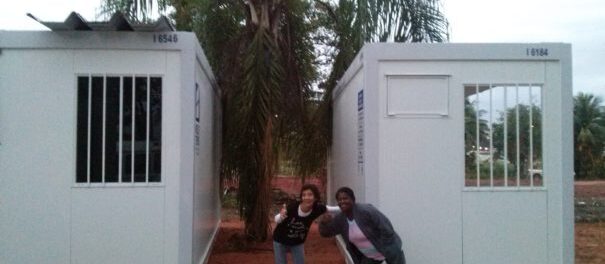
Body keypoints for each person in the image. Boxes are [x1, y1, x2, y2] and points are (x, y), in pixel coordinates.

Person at [319, 187, 406, 264]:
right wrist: (323, 222)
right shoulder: (341, 219)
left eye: (345, 198)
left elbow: (386, 228)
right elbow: (325, 233)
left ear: (353, 199)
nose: (342, 201)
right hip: (370, 256)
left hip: (389, 250)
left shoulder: (366, 210)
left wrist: (383, 248)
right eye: (339, 199)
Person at [272, 184, 339, 264]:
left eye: (310, 195)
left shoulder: (317, 208)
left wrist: (350, 205)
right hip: (280, 240)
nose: (306, 197)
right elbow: (277, 219)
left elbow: (333, 209)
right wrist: (281, 216)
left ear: (315, 197)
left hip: (297, 242)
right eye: (304, 195)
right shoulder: (293, 207)